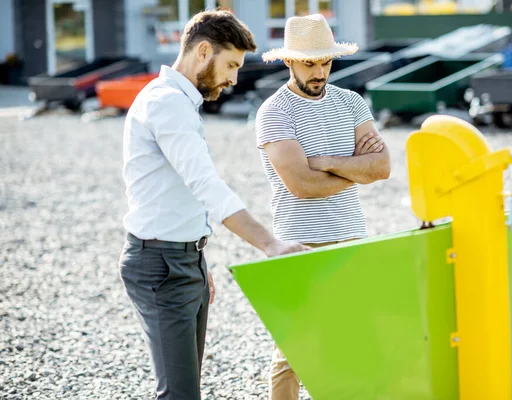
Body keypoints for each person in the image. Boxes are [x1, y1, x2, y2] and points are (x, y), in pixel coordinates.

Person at [118, 10, 308, 400]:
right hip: (160, 267)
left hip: (182, 261)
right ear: (203, 50)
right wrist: (270, 244)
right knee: (179, 395)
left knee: (186, 390)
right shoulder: (167, 103)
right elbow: (207, 186)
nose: (235, 79)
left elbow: (183, 194)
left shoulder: (180, 102)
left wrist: (198, 259)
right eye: (231, 65)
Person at [255, 13, 391, 400]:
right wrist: (356, 169)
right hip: (299, 243)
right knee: (295, 352)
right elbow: (302, 185)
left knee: (352, 344)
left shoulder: (351, 102)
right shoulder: (275, 112)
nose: (319, 72)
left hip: (351, 238)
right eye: (309, 63)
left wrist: (327, 162)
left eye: (325, 62)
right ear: (288, 61)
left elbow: (382, 167)